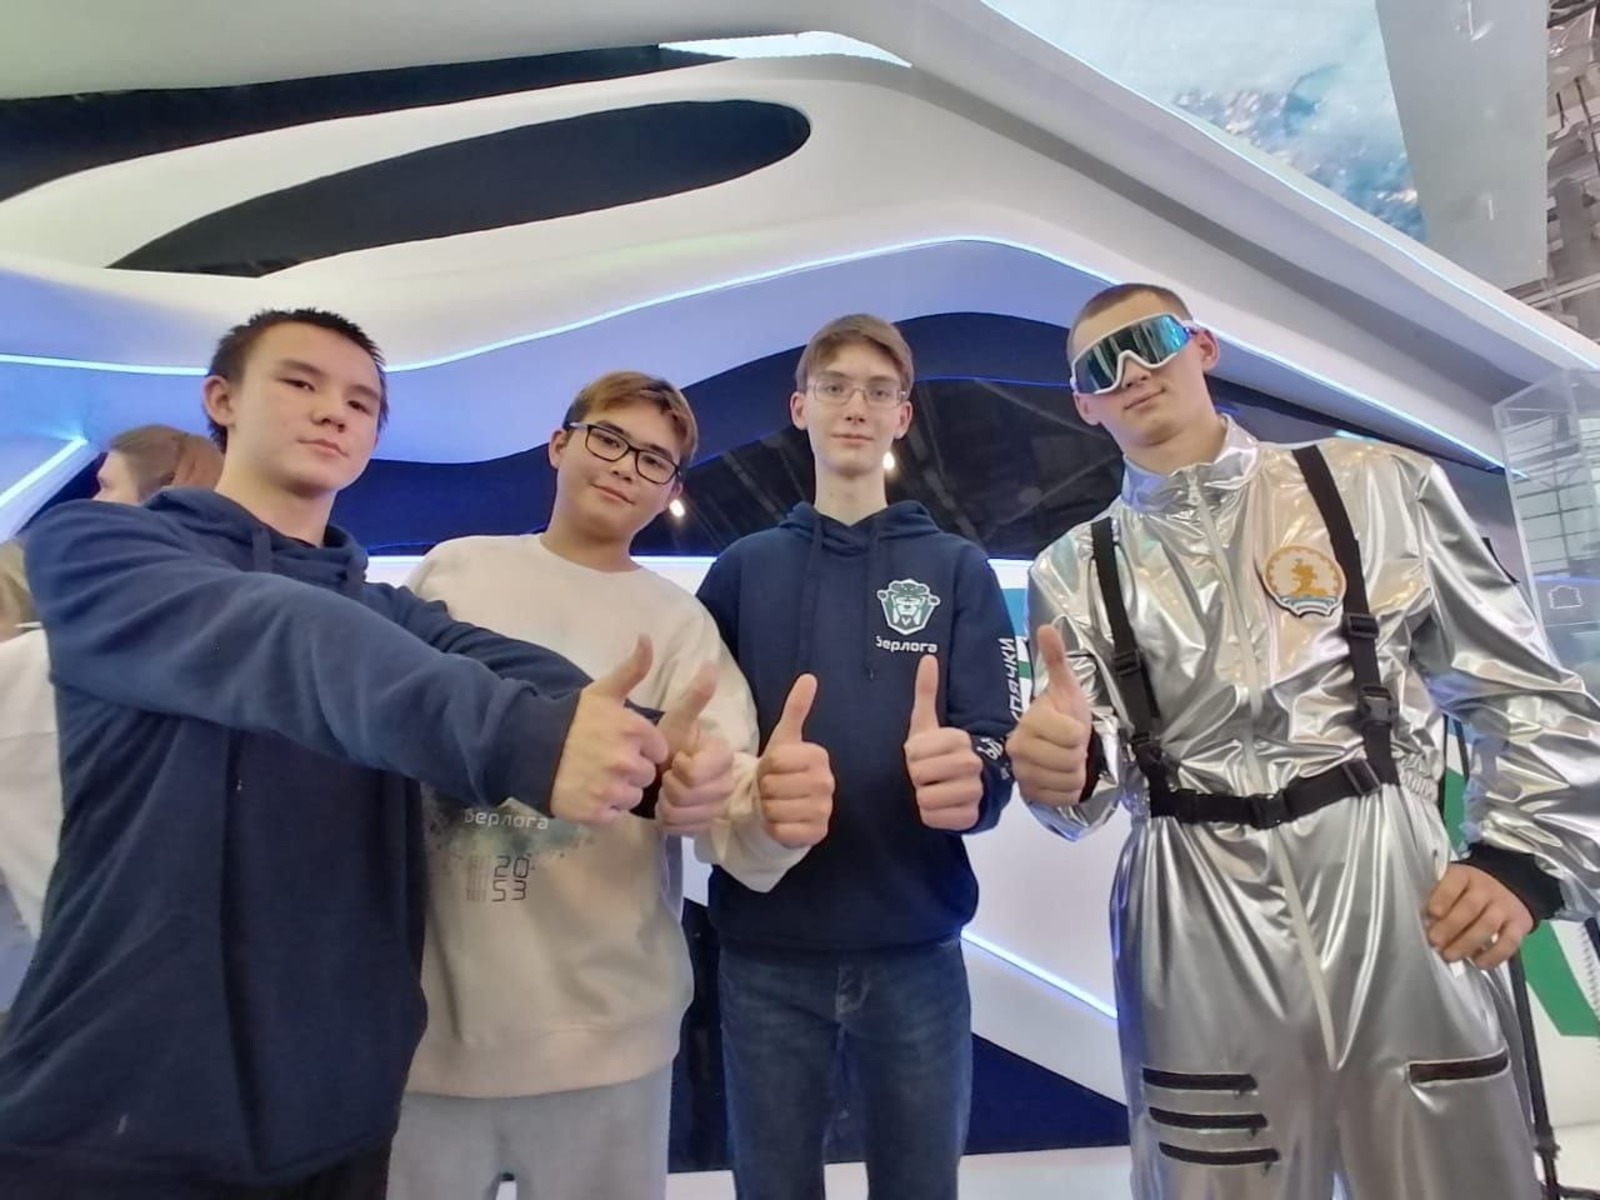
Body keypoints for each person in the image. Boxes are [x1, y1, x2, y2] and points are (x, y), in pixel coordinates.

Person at [0, 309, 704, 1200]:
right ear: (222, 399)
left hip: (341, 1120)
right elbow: (282, 636)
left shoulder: (387, 612)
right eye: (300, 382)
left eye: (362, 402)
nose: (333, 410)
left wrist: (658, 756)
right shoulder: (102, 552)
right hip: (120, 1113)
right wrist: (527, 739)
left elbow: (507, 666)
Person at [1008, 282, 1600, 1200]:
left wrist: (1523, 858)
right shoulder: (1076, 568)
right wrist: (1065, 768)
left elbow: (1520, 686)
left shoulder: (1376, 487)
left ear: (1203, 347)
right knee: (1215, 1177)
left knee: (1455, 1173)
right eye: (1099, 368)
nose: (1132, 373)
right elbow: (1089, 782)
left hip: (1392, 893)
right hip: (1195, 912)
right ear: (1085, 406)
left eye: (1151, 340)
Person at [389, 371, 820, 1200]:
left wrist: (775, 812)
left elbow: (731, 808)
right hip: (426, 1032)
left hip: (608, 1036)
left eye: (654, 459)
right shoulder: (456, 572)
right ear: (560, 444)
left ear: (670, 491)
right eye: (609, 439)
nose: (626, 466)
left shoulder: (680, 625)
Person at [695, 314, 1021, 1200]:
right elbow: (701, 742)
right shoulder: (741, 572)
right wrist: (737, 791)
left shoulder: (957, 570)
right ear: (800, 407)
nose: (856, 407)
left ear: (902, 418)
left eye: (879, 392)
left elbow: (995, 735)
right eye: (834, 386)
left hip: (916, 949)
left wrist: (976, 779)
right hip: (765, 954)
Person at [0, 424, 222, 642]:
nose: (94, 501)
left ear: (156, 503)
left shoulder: (36, 570)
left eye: (106, 487)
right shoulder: (213, 607)